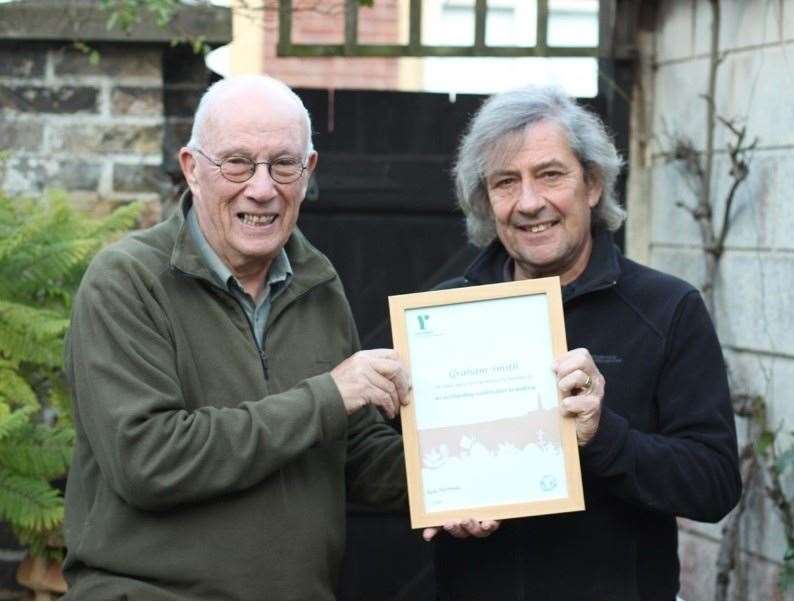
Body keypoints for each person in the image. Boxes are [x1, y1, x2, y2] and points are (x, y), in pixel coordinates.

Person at [62, 75, 421, 600]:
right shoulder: (128, 281)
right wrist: (328, 395)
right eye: (237, 162)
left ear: (308, 172)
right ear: (192, 169)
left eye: (283, 164)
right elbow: (149, 460)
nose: (262, 187)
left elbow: (356, 453)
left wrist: (467, 483)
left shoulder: (317, 284)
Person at [430, 86, 742, 600]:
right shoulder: (444, 317)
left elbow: (713, 485)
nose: (530, 203)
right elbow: (411, 470)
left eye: (550, 175)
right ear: (486, 202)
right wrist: (441, 499)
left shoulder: (668, 308)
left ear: (593, 183)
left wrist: (602, 435)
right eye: (506, 182)